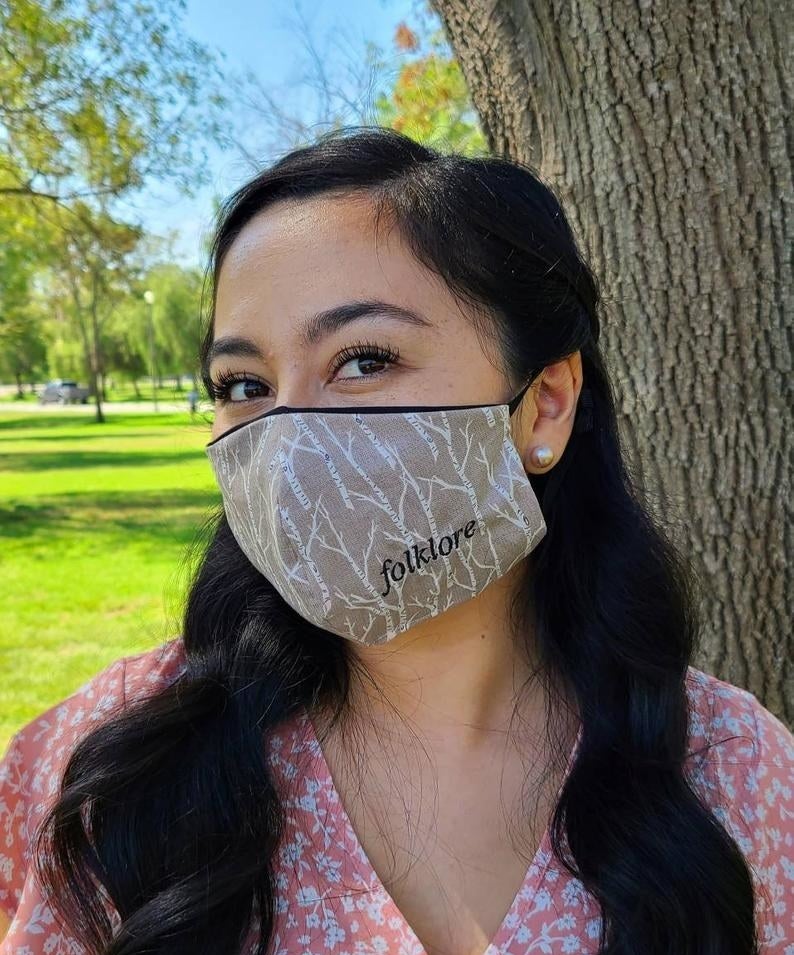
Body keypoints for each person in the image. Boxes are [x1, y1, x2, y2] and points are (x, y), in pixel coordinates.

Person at [1, 126, 791, 955]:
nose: (288, 435)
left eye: (364, 359)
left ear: (546, 403)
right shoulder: (115, 766)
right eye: (244, 383)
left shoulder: (733, 773)